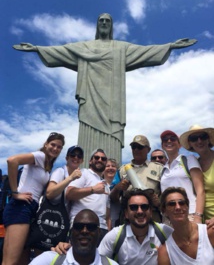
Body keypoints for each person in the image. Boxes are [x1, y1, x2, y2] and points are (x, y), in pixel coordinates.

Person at [13, 13, 197, 167]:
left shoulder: (120, 48)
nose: (103, 23)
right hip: (90, 98)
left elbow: (144, 52)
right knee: (87, 130)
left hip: (112, 104)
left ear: (111, 26)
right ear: (97, 25)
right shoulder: (85, 47)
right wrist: (37, 49)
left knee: (112, 134)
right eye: (101, 20)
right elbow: (62, 52)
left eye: (107, 21)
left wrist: (170, 46)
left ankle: (109, 175)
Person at [2, 132, 65, 265]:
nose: (55, 148)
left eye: (59, 147)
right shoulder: (40, 156)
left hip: (30, 208)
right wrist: (15, 192)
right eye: (53, 144)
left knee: (21, 260)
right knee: (11, 261)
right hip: (21, 207)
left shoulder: (47, 165)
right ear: (46, 144)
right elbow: (12, 161)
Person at [29, 209, 118, 265]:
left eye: (91, 227)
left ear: (99, 233)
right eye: (79, 226)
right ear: (71, 233)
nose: (84, 231)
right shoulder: (49, 260)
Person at [110, 135, 163, 222]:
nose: (136, 150)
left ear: (148, 150)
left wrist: (158, 202)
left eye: (140, 147)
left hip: (152, 217)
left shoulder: (159, 168)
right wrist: (117, 188)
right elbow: (112, 199)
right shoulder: (122, 170)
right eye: (133, 147)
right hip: (128, 218)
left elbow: (167, 197)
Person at [158, 187, 214, 265]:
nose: (178, 207)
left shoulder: (209, 232)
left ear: (187, 207)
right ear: (164, 211)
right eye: (171, 204)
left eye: (182, 203)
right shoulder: (165, 252)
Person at [66, 149, 111, 244]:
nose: (100, 160)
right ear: (90, 161)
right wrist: (93, 189)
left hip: (101, 229)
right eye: (96, 157)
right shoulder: (84, 173)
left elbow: (107, 215)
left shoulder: (106, 185)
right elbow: (69, 193)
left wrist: (108, 231)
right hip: (82, 225)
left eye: (103, 159)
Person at [160, 130, 205, 224]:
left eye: (172, 139)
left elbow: (200, 190)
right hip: (168, 218)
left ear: (179, 145)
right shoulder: (163, 169)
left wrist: (198, 216)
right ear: (162, 145)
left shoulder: (189, 160)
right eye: (165, 139)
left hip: (189, 214)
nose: (169, 141)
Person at [180, 125, 214, 222]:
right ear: (190, 143)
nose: (199, 141)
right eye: (194, 138)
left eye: (203, 137)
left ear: (208, 140)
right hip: (205, 221)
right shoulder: (194, 165)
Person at [102, 158, 120, 228]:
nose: (110, 168)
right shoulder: (98, 185)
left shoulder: (121, 187)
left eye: (113, 166)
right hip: (102, 223)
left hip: (117, 223)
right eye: (107, 166)